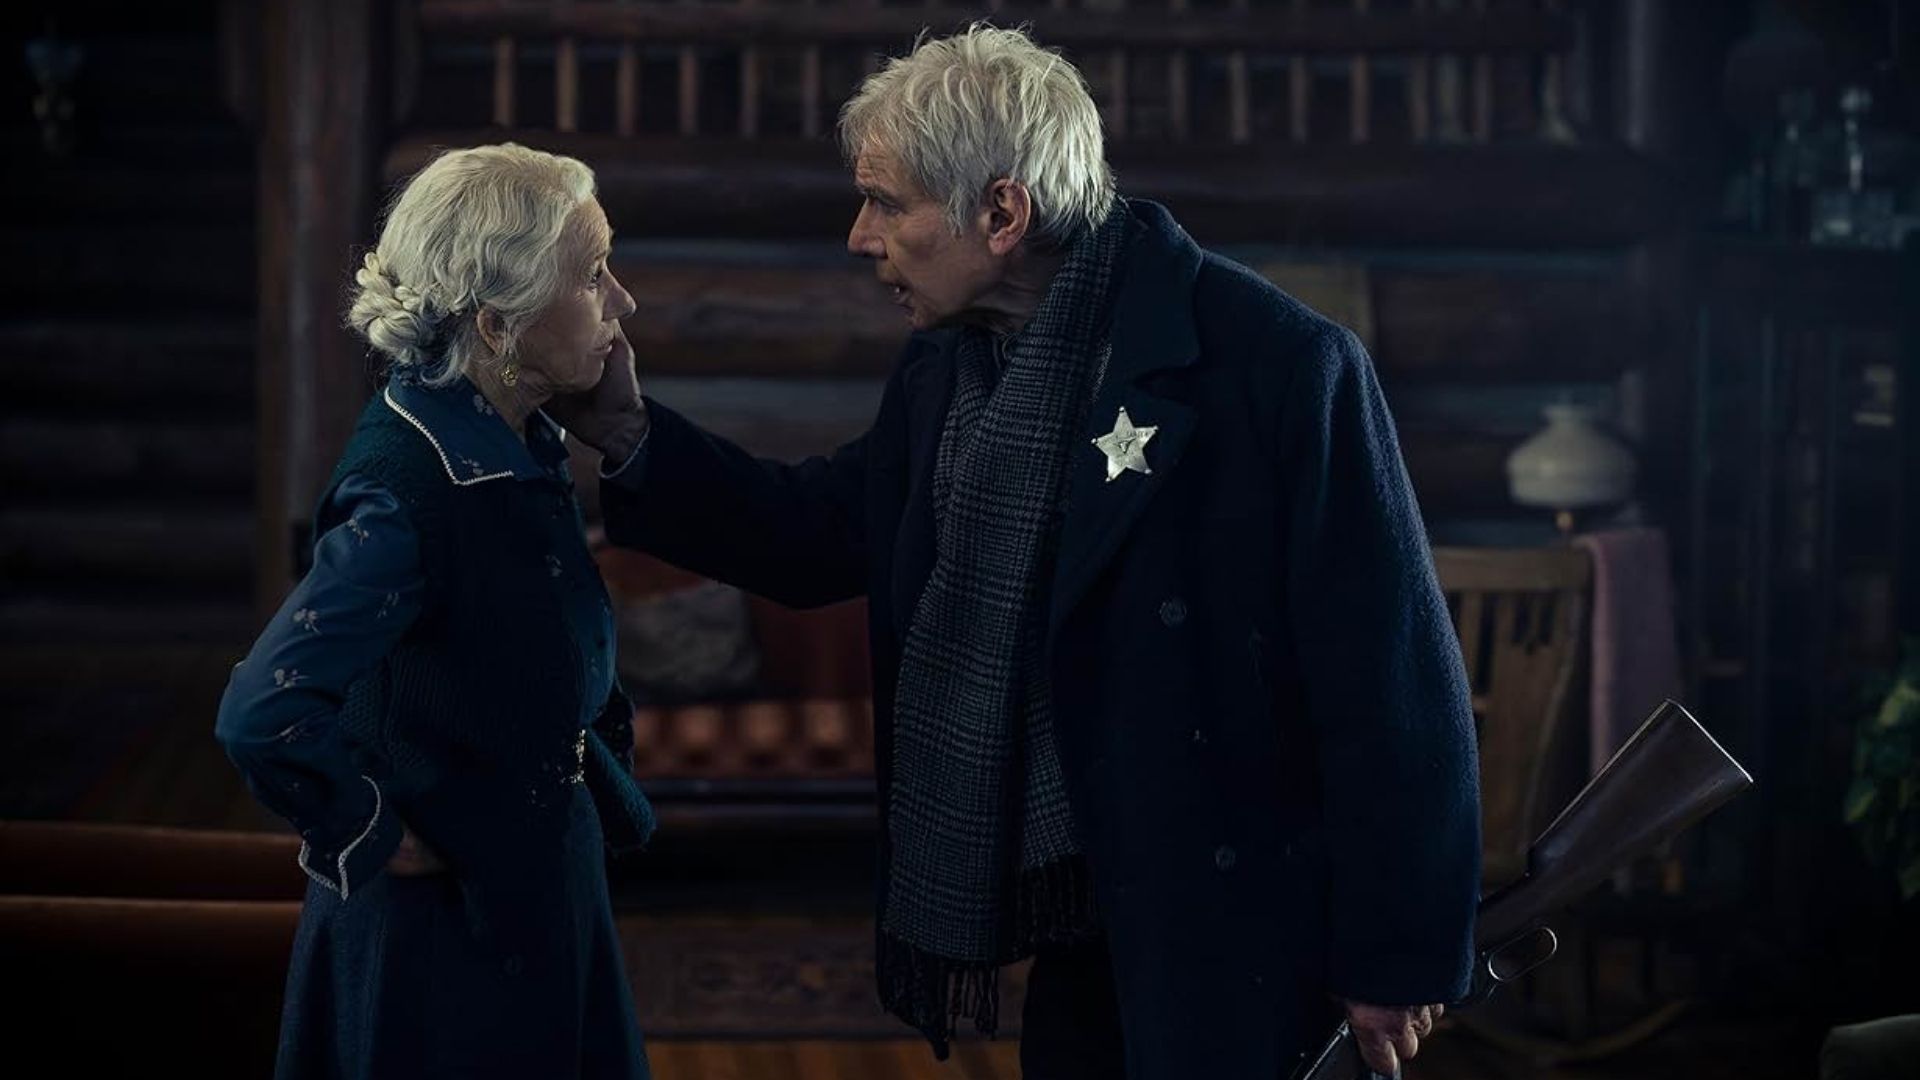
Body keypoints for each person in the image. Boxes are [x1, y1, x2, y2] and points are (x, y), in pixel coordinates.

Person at [564, 25, 1481, 1080]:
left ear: (1001, 212)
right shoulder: (951, 370)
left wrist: (1396, 956)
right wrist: (629, 434)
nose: (861, 237)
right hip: (1079, 914)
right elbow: (819, 532)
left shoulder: (1279, 365)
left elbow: (1391, 682)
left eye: (886, 202)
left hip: (1244, 924)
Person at [215, 143, 655, 1079]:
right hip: (444, 926)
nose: (622, 302)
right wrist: (370, 831)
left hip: (534, 869)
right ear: (497, 325)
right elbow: (263, 711)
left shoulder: (514, 432)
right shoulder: (409, 485)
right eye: (592, 276)